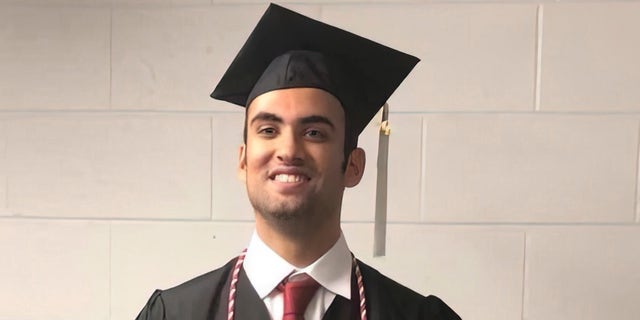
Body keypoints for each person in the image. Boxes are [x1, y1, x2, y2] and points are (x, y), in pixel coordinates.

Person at [136, 3, 460, 320]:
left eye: (315, 132)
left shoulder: (418, 315)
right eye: (268, 129)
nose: (288, 150)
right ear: (243, 161)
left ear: (353, 165)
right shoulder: (172, 314)